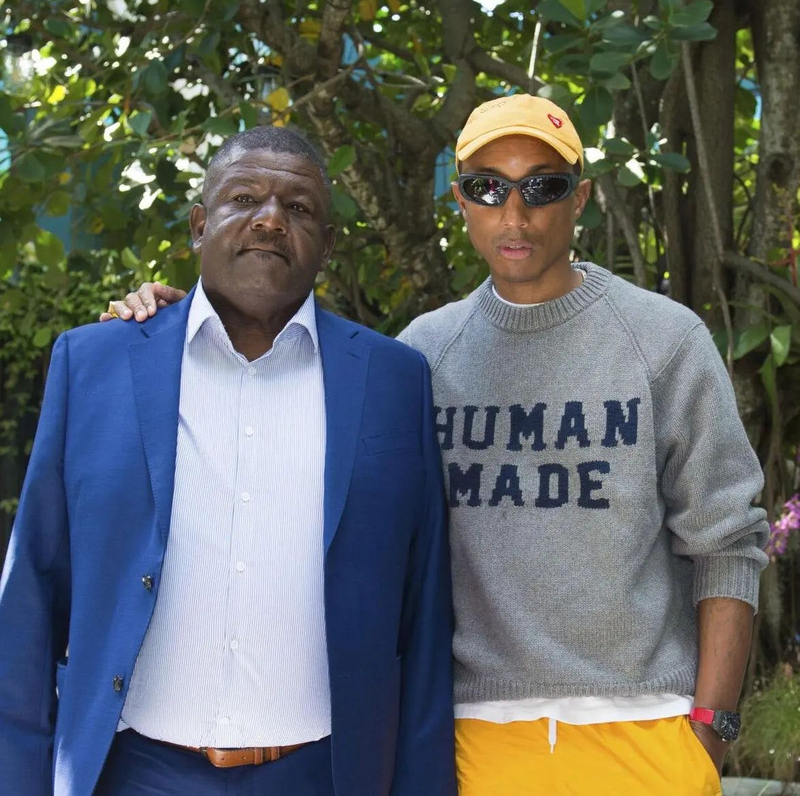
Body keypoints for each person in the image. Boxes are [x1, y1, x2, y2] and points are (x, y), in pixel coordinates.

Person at [103, 96, 769, 796]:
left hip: (643, 732)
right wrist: (176, 328)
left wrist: (708, 735)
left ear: (581, 199)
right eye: (488, 187)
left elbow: (726, 546)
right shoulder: (421, 354)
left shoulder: (665, 341)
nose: (515, 214)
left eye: (542, 187)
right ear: (460, 200)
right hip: (469, 741)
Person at [0, 126, 457, 796]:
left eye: (298, 209)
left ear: (327, 248)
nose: (270, 219)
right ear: (198, 225)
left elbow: (422, 616)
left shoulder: (393, 380)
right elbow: (31, 594)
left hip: (324, 773)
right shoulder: (95, 363)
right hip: (132, 772)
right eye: (244, 198)